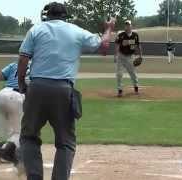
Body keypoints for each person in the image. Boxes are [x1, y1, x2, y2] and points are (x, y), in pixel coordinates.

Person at [17, 2, 115, 180]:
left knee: (29, 136)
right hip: (63, 89)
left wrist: (22, 85)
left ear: (47, 15)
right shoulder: (76, 31)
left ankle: (35, 177)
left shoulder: (36, 30)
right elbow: (104, 45)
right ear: (65, 16)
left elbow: (23, 59)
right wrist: (108, 29)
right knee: (65, 143)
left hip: (37, 87)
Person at [0, 61, 30, 148]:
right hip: (17, 97)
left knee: (3, 130)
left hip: (2, 95)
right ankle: (4, 154)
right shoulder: (38, 66)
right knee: (19, 133)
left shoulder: (15, 64)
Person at [114, 20, 143, 97]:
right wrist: (115, 56)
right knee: (119, 74)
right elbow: (117, 45)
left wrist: (140, 55)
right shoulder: (120, 35)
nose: (127, 26)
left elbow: (138, 46)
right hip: (121, 56)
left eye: (128, 25)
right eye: (126, 25)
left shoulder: (135, 35)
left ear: (131, 26)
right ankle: (120, 90)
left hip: (130, 57)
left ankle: (136, 88)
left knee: (133, 73)